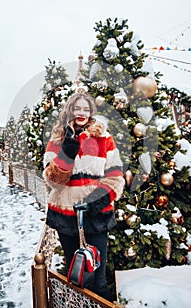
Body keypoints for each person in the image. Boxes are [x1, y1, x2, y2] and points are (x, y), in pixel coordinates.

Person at [43, 92, 125, 301]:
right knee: (76, 274)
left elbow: (115, 176)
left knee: (98, 278)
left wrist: (96, 201)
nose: (82, 113)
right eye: (77, 108)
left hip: (96, 215)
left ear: (91, 113)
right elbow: (51, 180)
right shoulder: (58, 139)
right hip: (65, 214)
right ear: (70, 110)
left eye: (86, 109)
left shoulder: (104, 138)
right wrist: (66, 155)